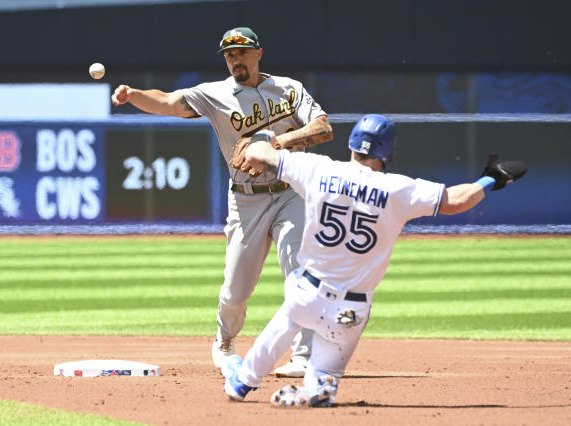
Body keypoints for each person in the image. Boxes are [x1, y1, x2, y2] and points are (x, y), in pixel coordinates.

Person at [220, 114, 526, 406]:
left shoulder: (316, 168)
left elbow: (259, 152)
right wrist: (490, 180)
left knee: (289, 317)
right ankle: (320, 387)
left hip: (308, 295)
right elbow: (459, 200)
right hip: (351, 312)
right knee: (325, 374)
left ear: (352, 144)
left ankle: (243, 380)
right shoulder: (399, 189)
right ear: (388, 154)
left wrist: (268, 136)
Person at [111, 26, 333, 377]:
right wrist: (135, 94)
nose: (235, 59)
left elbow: (323, 128)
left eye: (242, 52)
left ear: (258, 54)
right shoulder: (214, 94)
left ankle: (304, 356)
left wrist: (278, 142)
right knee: (235, 289)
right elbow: (170, 102)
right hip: (247, 201)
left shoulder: (290, 89)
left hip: (293, 192)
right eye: (229, 55)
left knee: (300, 272)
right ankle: (225, 342)